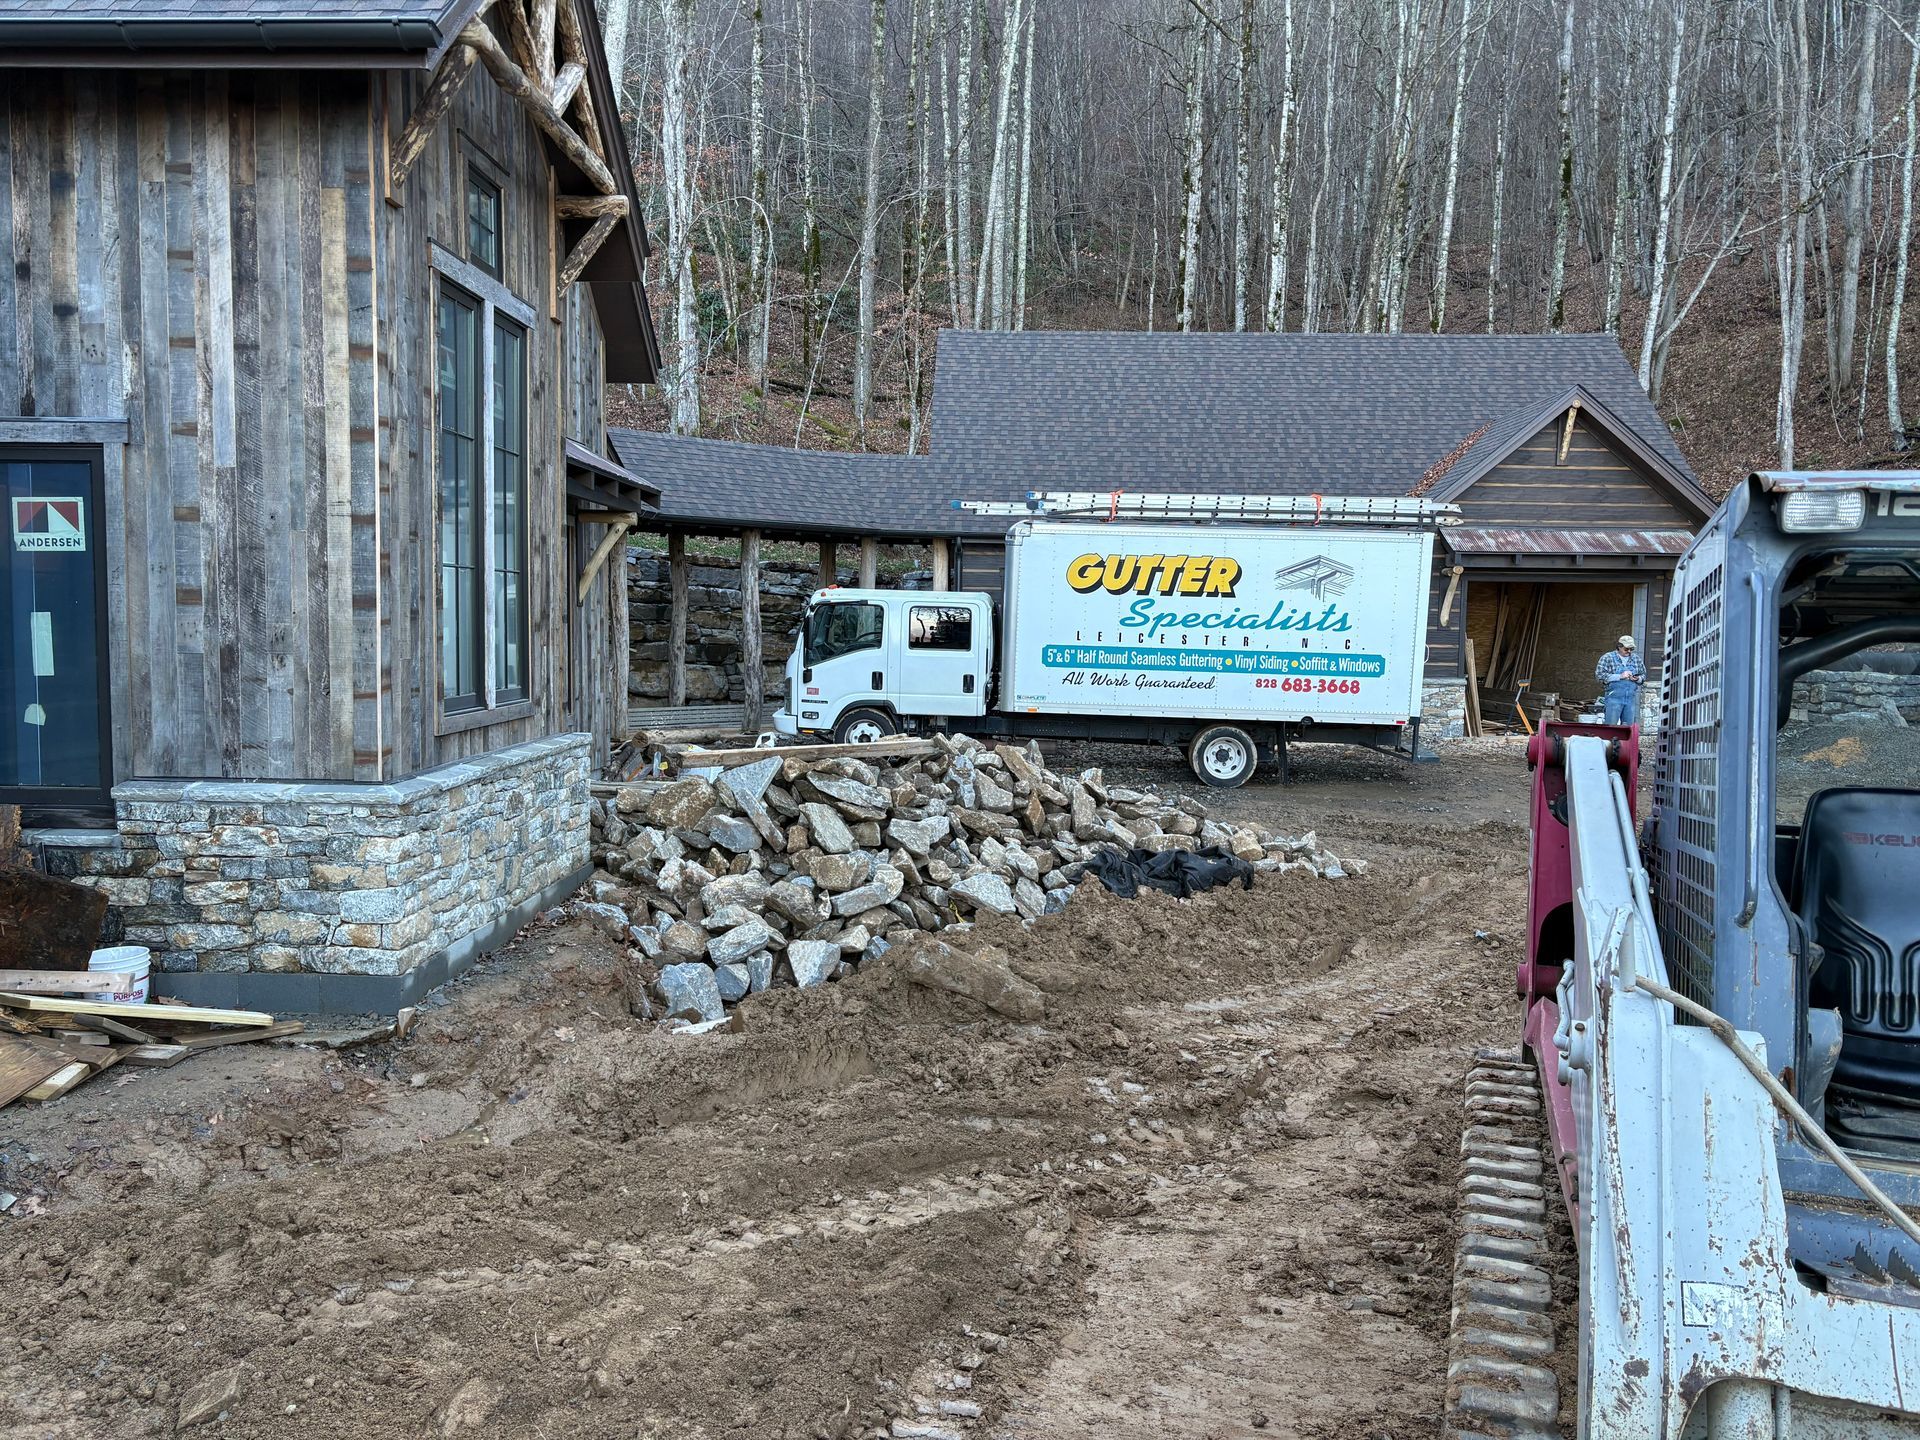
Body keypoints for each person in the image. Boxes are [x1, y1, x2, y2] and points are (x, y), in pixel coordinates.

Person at [1595, 634, 1646, 726]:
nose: (1629, 651)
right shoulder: (1607, 658)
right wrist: (1619, 676)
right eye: (1626, 649)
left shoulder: (1636, 659)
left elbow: (1643, 676)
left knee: (1628, 728)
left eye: (1631, 649)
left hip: (1630, 700)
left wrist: (1637, 678)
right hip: (1613, 699)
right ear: (1619, 646)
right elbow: (1599, 676)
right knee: (1610, 727)